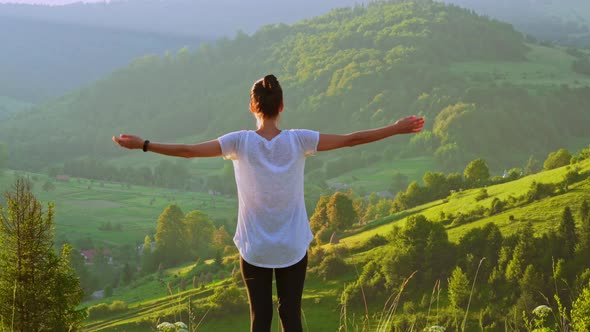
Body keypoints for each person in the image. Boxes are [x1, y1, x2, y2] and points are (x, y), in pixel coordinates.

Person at [112, 74, 424, 332]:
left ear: (252, 106)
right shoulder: (299, 140)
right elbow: (350, 139)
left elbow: (188, 151)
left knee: (259, 320)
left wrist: (145, 145)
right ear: (282, 106)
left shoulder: (239, 141)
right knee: (291, 317)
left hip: (255, 247)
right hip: (291, 246)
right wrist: (395, 128)